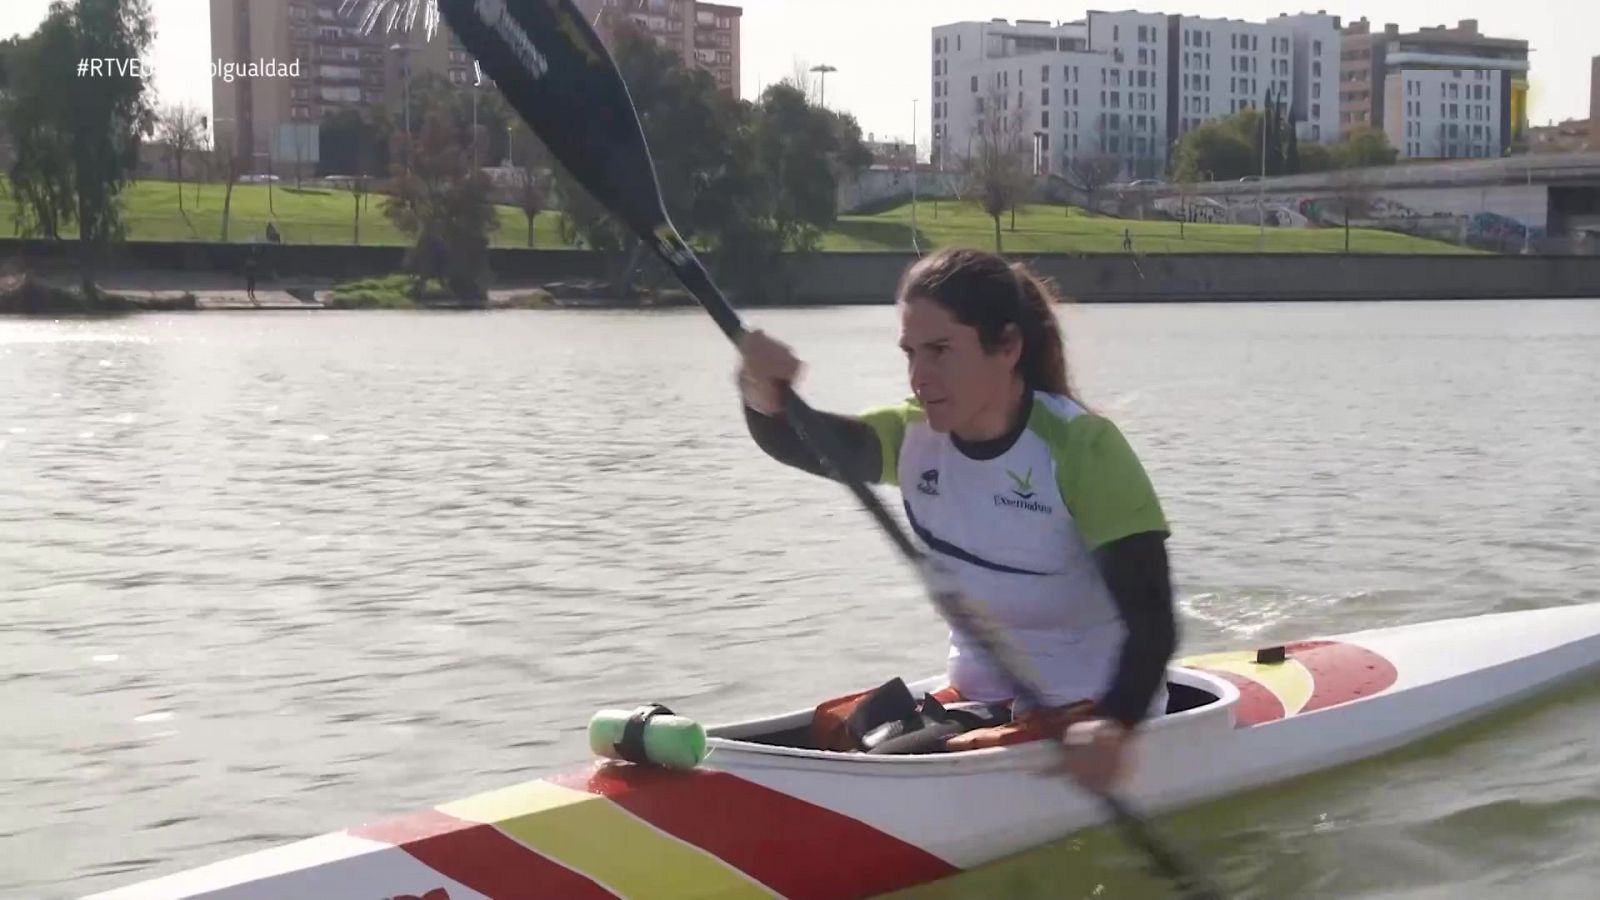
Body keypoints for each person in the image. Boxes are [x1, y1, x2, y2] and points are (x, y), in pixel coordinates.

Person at [735, 247, 1177, 792]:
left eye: (941, 350)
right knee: (835, 727)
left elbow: (1154, 623)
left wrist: (1114, 725)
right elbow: (795, 440)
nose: (920, 376)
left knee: (883, 755)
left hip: (1085, 713)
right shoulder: (913, 437)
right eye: (911, 353)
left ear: (1008, 346)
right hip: (976, 699)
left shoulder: (1082, 450)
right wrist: (759, 391)